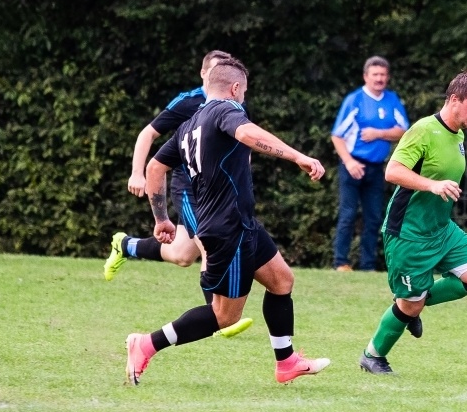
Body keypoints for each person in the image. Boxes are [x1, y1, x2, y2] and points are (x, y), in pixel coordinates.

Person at [125, 58, 330, 385]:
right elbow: (247, 134)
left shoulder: (188, 126)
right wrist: (298, 156)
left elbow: (154, 169)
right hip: (226, 230)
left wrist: (161, 218)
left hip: (242, 222)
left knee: (281, 280)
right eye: (244, 92)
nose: (244, 99)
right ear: (235, 88)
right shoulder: (225, 110)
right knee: (224, 316)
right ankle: (146, 344)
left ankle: (287, 361)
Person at [104, 50, 251, 338]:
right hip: (189, 188)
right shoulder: (188, 101)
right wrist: (137, 173)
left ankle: (126, 245)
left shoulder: (234, 102)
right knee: (211, 245)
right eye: (213, 71)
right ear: (203, 74)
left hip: (217, 189)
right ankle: (220, 316)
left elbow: (242, 143)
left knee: (184, 255)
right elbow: (148, 134)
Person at [358, 69, 467, 375]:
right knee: (410, 304)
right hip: (408, 232)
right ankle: (373, 355)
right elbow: (392, 171)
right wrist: (431, 185)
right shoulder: (423, 130)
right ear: (454, 99)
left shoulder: (458, 133)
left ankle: (411, 304)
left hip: (441, 229)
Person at [330, 56, 409, 272]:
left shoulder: (392, 100)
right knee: (347, 215)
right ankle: (341, 263)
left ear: (388, 77)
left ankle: (367, 266)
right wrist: (349, 162)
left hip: (376, 168)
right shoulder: (354, 100)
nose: (379, 79)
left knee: (374, 218)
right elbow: (337, 136)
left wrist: (379, 133)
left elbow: (404, 130)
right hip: (353, 166)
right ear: (366, 76)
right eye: (375, 74)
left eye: (383, 75)